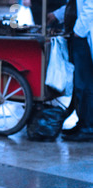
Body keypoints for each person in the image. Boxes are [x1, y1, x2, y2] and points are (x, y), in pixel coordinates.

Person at [48, 0, 93, 141]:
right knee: (80, 84)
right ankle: (82, 123)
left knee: (84, 84)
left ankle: (87, 128)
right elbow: (72, 6)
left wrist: (78, 31)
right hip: (80, 35)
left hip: (84, 36)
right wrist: (56, 15)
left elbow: (90, 6)